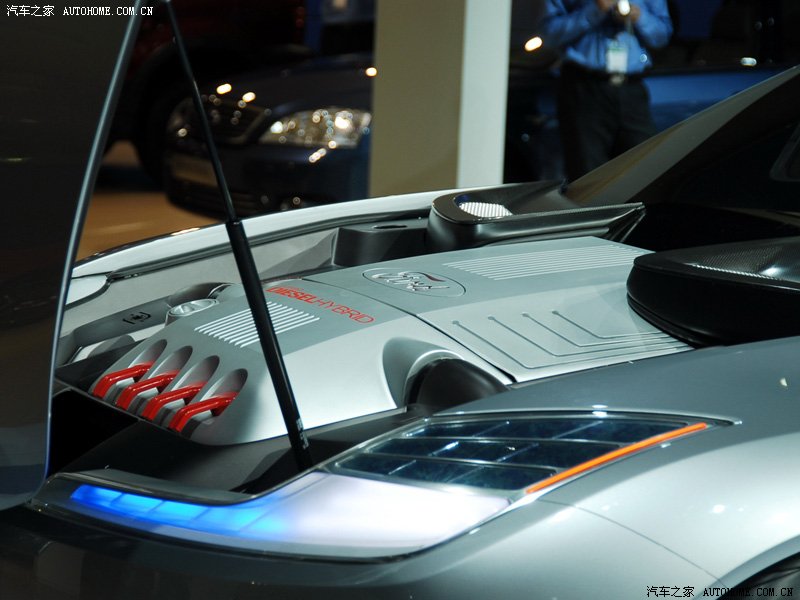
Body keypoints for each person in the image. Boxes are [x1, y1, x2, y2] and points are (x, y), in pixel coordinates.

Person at [537, 0, 673, 181]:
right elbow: (549, 34)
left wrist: (640, 17)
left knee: (644, 166)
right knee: (587, 173)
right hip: (585, 87)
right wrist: (595, 10)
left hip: (631, 88)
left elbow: (662, 36)